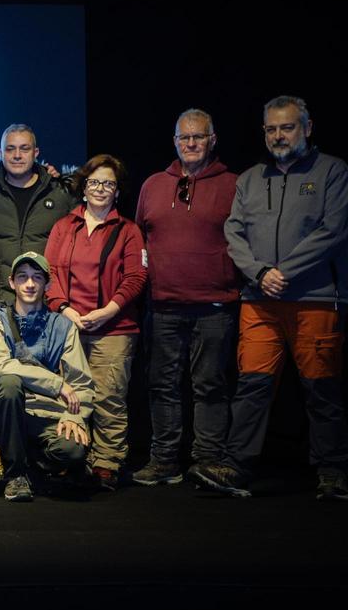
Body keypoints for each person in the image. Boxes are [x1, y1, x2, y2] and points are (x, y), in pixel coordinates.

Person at [196, 95, 348, 501]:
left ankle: (332, 470)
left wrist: (286, 272)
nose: (279, 136)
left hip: (315, 298)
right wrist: (261, 273)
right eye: (271, 129)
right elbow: (234, 232)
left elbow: (334, 230)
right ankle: (235, 466)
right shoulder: (249, 179)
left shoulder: (332, 171)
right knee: (252, 386)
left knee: (321, 388)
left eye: (287, 127)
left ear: (307, 128)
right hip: (259, 298)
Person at [132, 109, 240, 487]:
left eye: (198, 137)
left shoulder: (233, 185)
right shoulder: (153, 185)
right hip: (163, 305)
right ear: (175, 141)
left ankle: (208, 462)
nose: (191, 143)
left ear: (212, 140)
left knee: (210, 386)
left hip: (215, 305)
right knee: (161, 385)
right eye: (184, 137)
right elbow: (140, 240)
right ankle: (164, 460)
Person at [44, 154, 147, 490]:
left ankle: (106, 463)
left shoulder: (128, 230)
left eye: (108, 184)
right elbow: (50, 272)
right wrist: (64, 309)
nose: (100, 189)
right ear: (83, 187)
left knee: (108, 398)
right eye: (94, 182)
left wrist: (107, 311)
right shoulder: (64, 226)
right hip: (68, 326)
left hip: (114, 328)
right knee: (69, 397)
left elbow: (136, 277)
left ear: (117, 191)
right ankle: (72, 459)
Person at [0, 252, 96, 502]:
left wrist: (74, 416)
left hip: (49, 414)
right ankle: (16, 475)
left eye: (37, 277)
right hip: (10, 414)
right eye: (22, 277)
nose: (30, 284)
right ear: (12, 282)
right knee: (8, 383)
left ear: (47, 284)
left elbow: (81, 382)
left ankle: (34, 468)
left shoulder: (62, 326)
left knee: (72, 451)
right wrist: (57, 383)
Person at [0, 124, 74, 311]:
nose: (17, 155)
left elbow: (72, 247)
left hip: (47, 302)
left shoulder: (60, 194)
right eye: (10, 149)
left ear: (36, 152)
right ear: (1, 153)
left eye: (24, 149)